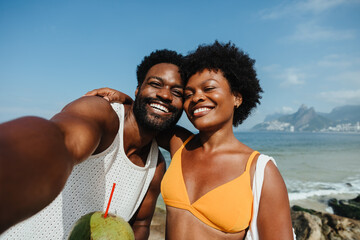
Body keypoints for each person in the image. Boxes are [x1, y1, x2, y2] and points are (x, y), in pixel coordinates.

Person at [90, 41, 295, 239]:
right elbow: (149, 114)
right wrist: (127, 99)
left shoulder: (260, 170)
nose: (197, 97)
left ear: (237, 98)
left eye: (208, 89)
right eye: (189, 94)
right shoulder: (179, 143)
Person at [0, 49, 185, 240]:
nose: (165, 95)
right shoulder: (101, 114)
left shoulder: (156, 167)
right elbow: (60, 140)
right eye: (155, 84)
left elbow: (140, 224)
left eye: (177, 92)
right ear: (138, 89)